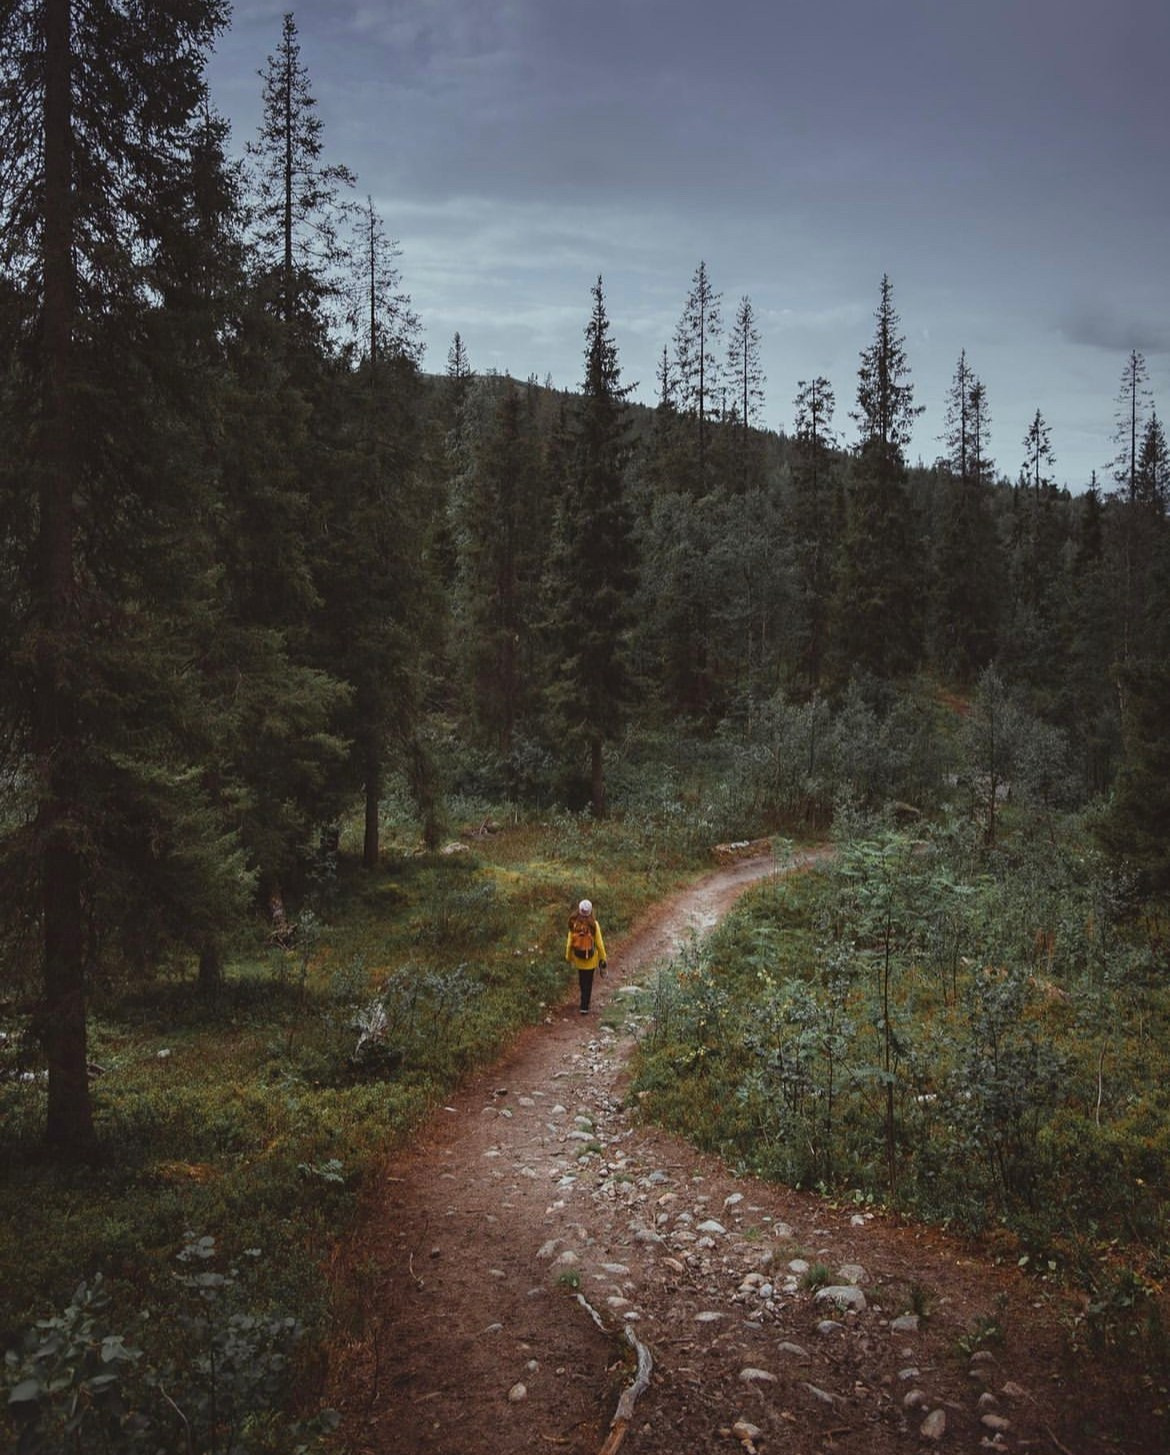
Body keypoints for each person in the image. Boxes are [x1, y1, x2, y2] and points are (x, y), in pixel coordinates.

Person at [565, 897, 607, 1014]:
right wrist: (603, 958)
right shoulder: (594, 925)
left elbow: (569, 944)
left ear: (579, 910)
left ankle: (583, 1001)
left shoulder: (574, 925)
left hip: (579, 959)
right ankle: (585, 1005)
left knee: (581, 980)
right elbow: (599, 943)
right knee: (588, 982)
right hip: (591, 960)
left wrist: (568, 957)